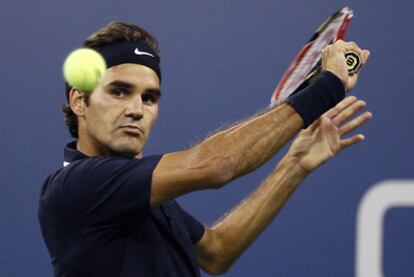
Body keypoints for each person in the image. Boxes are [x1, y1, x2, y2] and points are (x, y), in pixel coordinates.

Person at [38, 22, 372, 277]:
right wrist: (327, 87)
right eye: (119, 92)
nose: (137, 110)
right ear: (80, 101)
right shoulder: (79, 186)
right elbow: (217, 165)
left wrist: (294, 165)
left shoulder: (137, 193)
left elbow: (216, 252)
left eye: (149, 97)